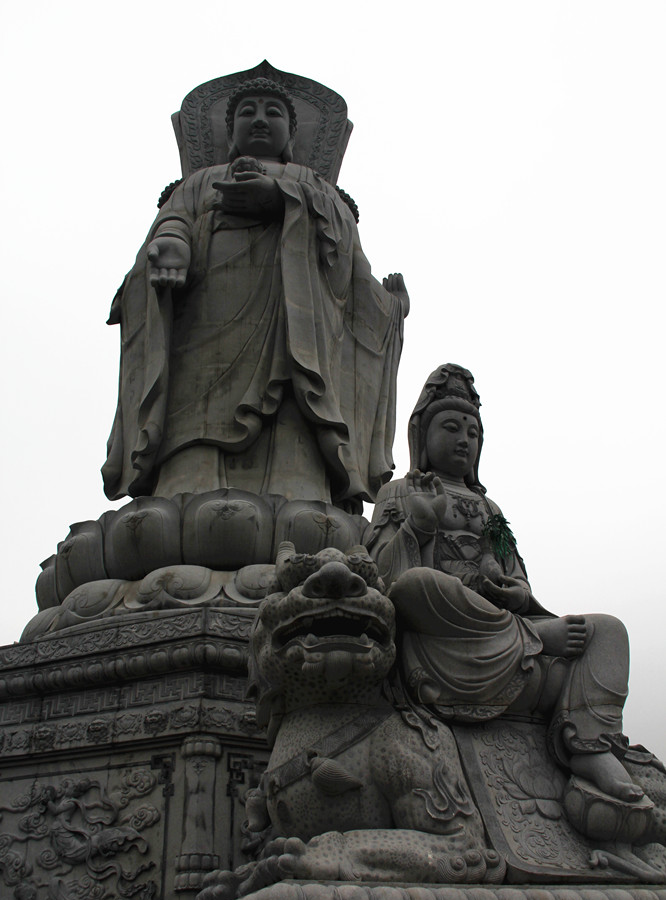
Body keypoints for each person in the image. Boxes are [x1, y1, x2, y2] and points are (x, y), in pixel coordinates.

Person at [103, 77, 407, 513]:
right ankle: (182, 489)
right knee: (193, 440)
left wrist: (285, 199)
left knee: (293, 437)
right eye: (247, 112)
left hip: (293, 346)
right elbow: (173, 222)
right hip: (205, 339)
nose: (260, 119)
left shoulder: (313, 185)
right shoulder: (199, 182)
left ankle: (299, 493)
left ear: (292, 133)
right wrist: (172, 245)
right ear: (229, 133)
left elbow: (346, 262)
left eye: (272, 112)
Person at [368, 363, 643, 804]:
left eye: (473, 433)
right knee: (419, 584)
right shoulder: (398, 492)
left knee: (609, 631)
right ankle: (534, 640)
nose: (464, 439)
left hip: (497, 621)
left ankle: (590, 745)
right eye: (452, 427)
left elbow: (515, 576)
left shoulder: (488, 507)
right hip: (448, 636)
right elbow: (387, 582)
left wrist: (518, 593)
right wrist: (420, 524)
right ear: (422, 437)